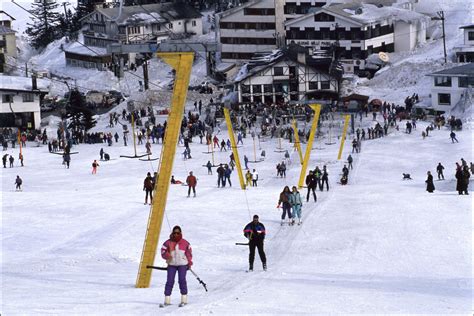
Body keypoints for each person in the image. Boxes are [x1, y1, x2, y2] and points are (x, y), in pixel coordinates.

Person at [160, 226, 193, 307]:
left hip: (182, 265)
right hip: (172, 265)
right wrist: (167, 256)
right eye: (174, 233)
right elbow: (163, 251)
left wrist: (189, 263)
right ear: (172, 233)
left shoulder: (185, 243)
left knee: (182, 281)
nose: (176, 234)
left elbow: (189, 253)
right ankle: (167, 300)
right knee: (170, 281)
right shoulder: (168, 242)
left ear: (180, 233)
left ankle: (184, 299)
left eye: (178, 233)